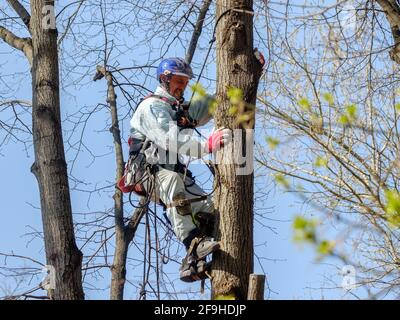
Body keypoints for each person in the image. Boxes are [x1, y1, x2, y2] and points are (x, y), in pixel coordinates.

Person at [127, 57, 230, 282]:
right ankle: (193, 244)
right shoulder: (152, 107)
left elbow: (203, 108)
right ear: (164, 79)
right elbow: (169, 138)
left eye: (185, 82)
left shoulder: (175, 108)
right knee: (173, 181)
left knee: (210, 210)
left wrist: (231, 93)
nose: (182, 86)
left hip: (171, 173)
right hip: (148, 172)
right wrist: (206, 146)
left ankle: (192, 263)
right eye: (178, 81)